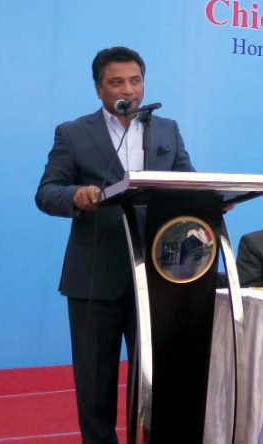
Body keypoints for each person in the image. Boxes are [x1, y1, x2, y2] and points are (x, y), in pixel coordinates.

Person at [35, 46, 194, 444]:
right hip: (94, 280)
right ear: (99, 89)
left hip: (158, 277)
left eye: (136, 80)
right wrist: (77, 195)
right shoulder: (72, 133)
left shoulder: (167, 129)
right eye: (117, 81)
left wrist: (208, 199)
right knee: (95, 384)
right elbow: (46, 192)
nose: (129, 89)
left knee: (157, 382)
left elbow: (189, 182)